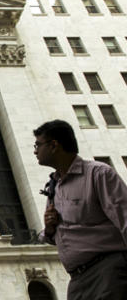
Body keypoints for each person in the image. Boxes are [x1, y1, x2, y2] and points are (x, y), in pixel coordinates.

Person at [34, 119, 127, 300]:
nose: (35, 150)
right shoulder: (54, 186)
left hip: (108, 272)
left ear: (54, 145)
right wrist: (50, 230)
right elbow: (60, 235)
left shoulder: (99, 174)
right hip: (77, 280)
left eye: (38, 144)